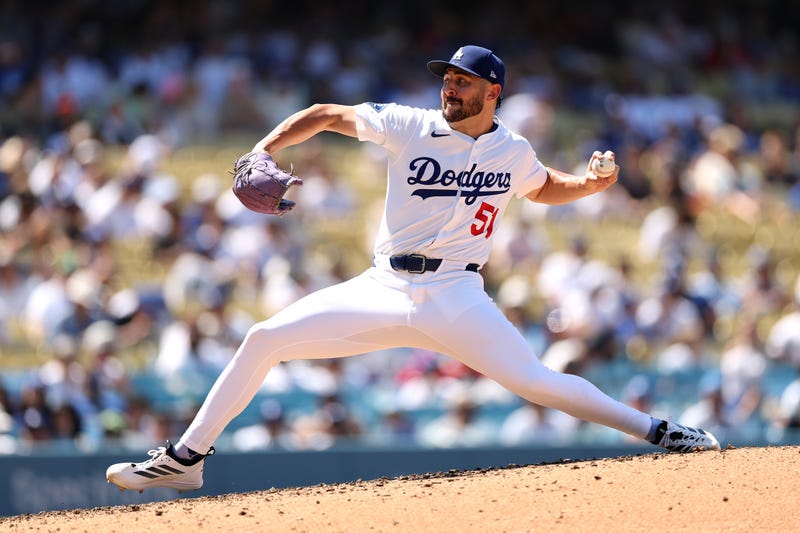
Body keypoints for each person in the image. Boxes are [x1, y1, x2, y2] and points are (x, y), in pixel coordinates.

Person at [106, 45, 720, 492]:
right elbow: (326, 113)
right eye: (448, 79)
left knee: (536, 381)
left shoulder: (513, 149)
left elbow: (542, 187)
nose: (450, 88)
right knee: (263, 338)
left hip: (457, 292)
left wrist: (589, 184)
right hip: (384, 283)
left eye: (463, 82)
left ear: (492, 93)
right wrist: (262, 150)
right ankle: (187, 459)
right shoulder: (411, 125)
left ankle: (659, 431)